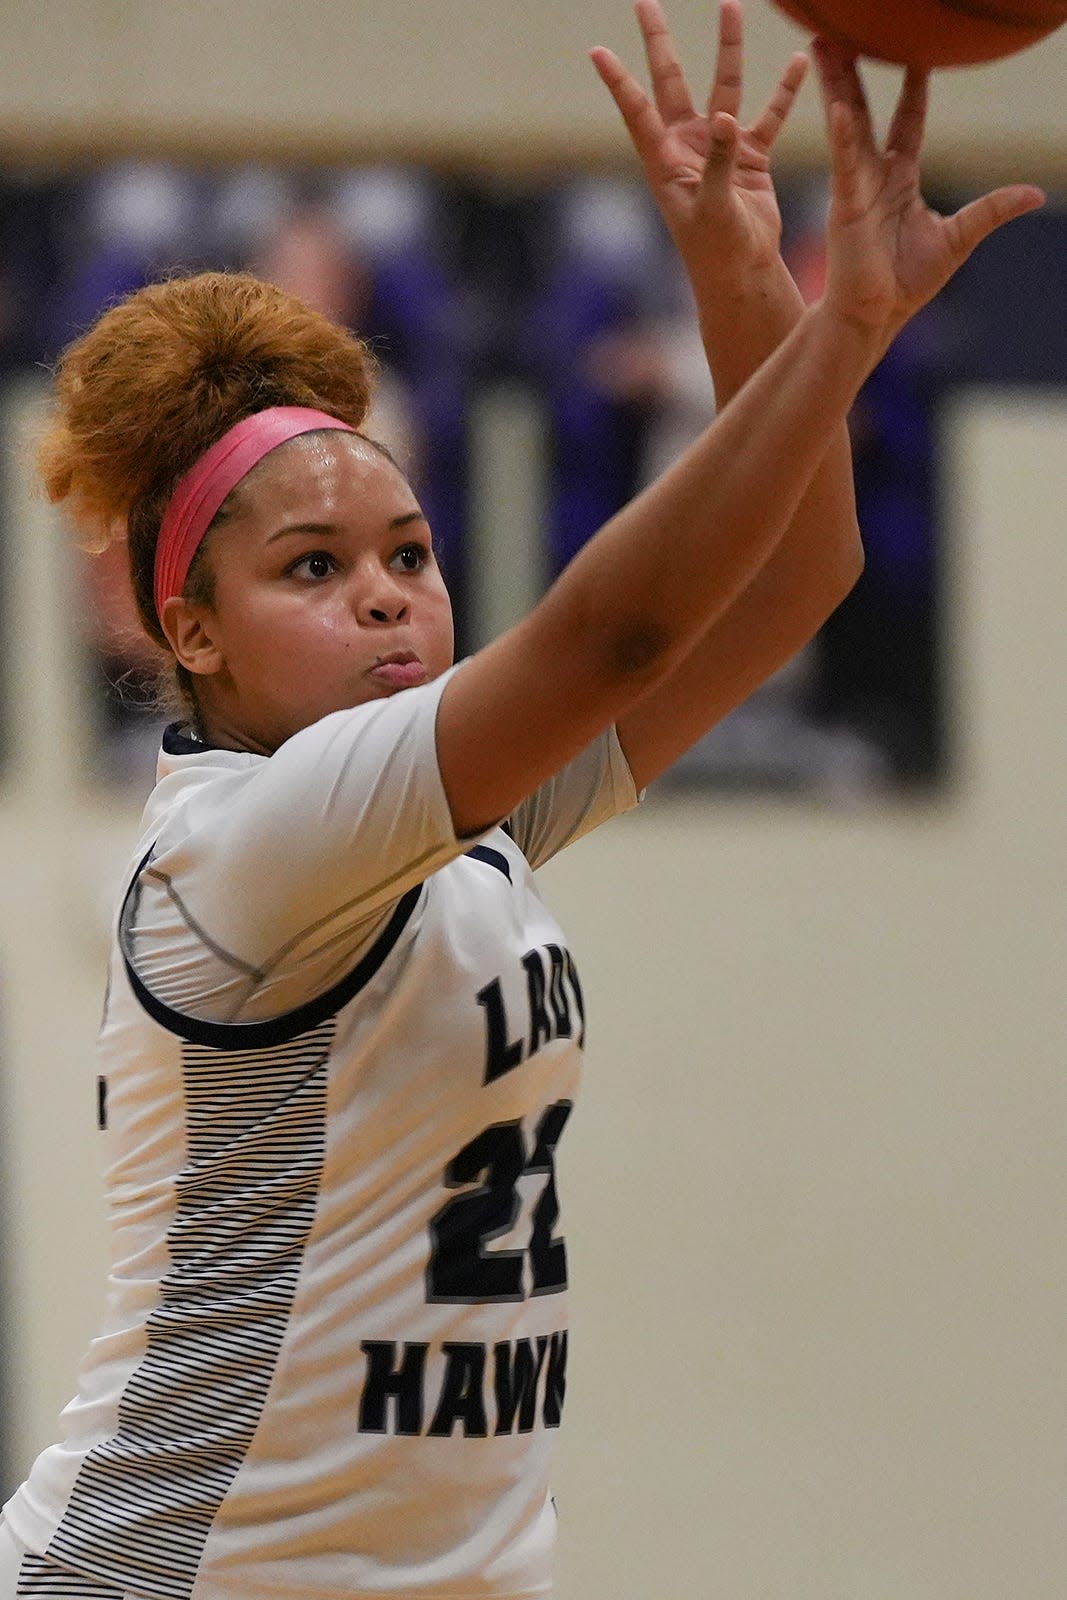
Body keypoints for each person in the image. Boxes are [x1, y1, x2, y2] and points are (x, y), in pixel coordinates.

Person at [0, 5, 1042, 1598]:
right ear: (187, 629)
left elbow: (796, 578)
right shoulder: (245, 847)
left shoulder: (449, 822)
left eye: (410, 555)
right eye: (313, 568)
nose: (387, 601)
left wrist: (747, 279)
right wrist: (837, 342)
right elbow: (617, 630)